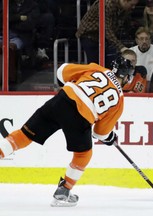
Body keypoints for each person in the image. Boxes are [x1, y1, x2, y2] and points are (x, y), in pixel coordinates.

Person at [0, 56, 134, 207]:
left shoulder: (97, 69)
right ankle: (63, 192)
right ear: (127, 77)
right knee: (83, 154)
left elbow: (61, 71)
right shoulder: (120, 101)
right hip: (81, 117)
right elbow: (99, 134)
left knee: (24, 135)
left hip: (61, 100)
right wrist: (110, 137)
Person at [75, 0, 139, 66]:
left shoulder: (124, 9)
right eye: (132, 5)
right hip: (90, 34)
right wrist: (121, 47)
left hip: (103, 37)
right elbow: (106, 29)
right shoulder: (107, 5)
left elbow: (126, 24)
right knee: (95, 64)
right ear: (125, 1)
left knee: (109, 63)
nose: (133, 7)